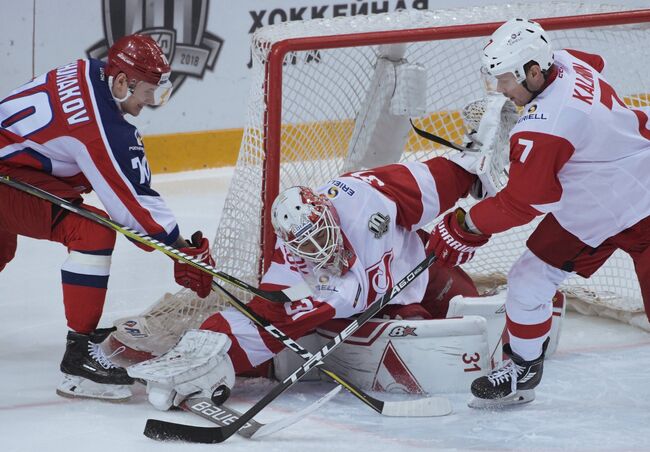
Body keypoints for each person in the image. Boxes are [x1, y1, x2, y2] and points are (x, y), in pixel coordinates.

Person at [128, 154, 490, 410]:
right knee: (428, 352)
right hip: (379, 313)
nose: (318, 248)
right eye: (306, 244)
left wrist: (473, 181)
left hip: (416, 271)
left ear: (328, 212)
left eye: (321, 235)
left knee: (476, 311)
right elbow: (271, 316)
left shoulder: (365, 196)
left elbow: (434, 178)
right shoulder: (289, 260)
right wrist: (217, 346)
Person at [426, 18, 650, 407]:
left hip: (642, 202)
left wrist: (466, 225)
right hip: (594, 205)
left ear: (533, 71)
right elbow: (594, 63)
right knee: (528, 278)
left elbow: (525, 202)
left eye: (506, 81)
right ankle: (523, 369)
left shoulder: (545, 128)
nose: (500, 90)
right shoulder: (563, 60)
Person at [0, 34, 214, 402]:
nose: (149, 101)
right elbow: (132, 207)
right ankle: (78, 360)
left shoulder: (89, 71)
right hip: (7, 174)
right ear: (119, 81)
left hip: (12, 167)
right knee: (92, 232)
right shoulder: (101, 125)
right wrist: (181, 251)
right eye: (146, 91)